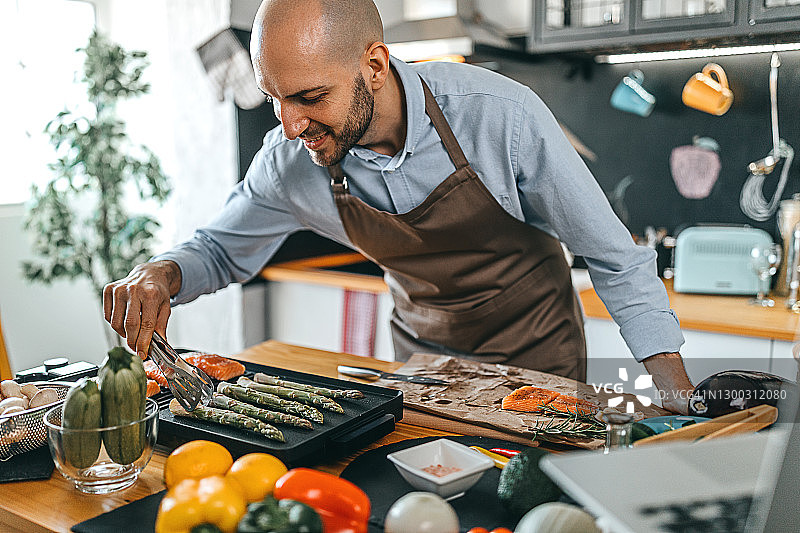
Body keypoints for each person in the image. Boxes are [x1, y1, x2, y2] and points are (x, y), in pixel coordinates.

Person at [103, 0, 694, 413]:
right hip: (419, 371)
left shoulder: (498, 116)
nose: (290, 125)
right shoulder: (292, 156)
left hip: (538, 361)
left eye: (310, 97)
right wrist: (164, 272)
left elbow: (615, 257)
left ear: (376, 65)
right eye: (274, 99)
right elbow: (216, 249)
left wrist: (675, 398)